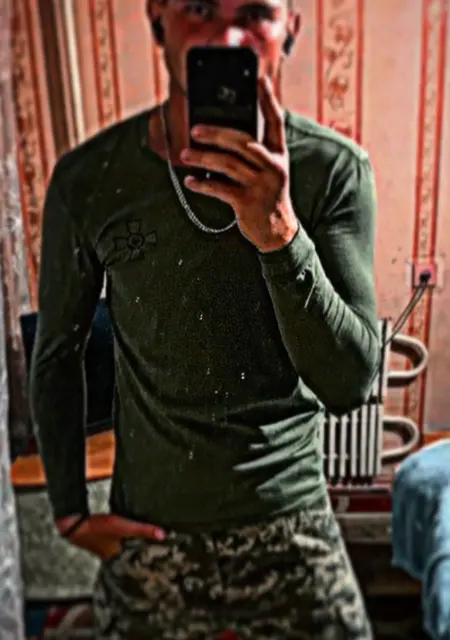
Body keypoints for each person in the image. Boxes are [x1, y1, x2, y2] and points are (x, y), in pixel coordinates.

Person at [30, 0, 380, 637]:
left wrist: (281, 235)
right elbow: (56, 354)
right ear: (157, 16)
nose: (227, 37)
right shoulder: (91, 179)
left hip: (288, 517)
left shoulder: (332, 170)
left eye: (256, 12)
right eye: (198, 7)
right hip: (152, 525)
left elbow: (350, 383)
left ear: (291, 28)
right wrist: (70, 513)